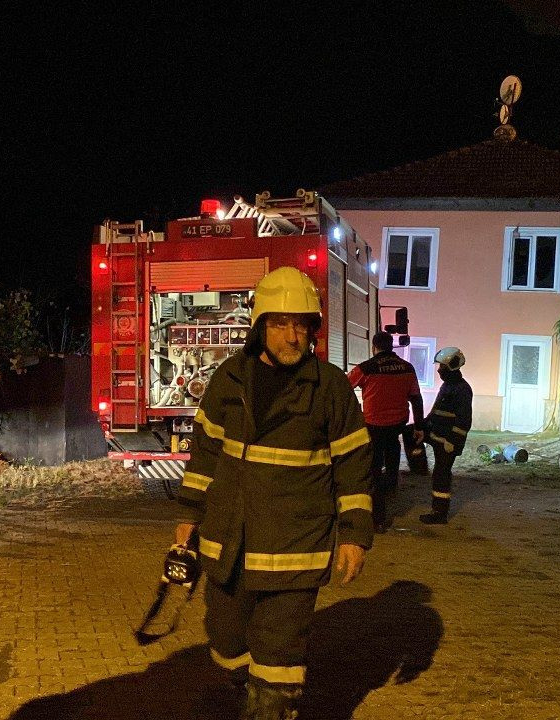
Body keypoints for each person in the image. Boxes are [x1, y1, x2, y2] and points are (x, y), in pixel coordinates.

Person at [173, 266, 372, 720]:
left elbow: (354, 467)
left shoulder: (330, 388)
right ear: (260, 326)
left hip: (294, 552)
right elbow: (204, 456)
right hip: (229, 547)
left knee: (278, 655)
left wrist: (355, 534)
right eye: (280, 324)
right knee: (226, 640)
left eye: (301, 324)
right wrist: (188, 514)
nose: (292, 336)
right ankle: (243, 692)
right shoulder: (229, 380)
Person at [346, 332, 423, 530]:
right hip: (396, 427)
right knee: (391, 466)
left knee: (373, 471)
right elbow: (416, 398)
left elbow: (343, 387)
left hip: (373, 427)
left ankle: (378, 518)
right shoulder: (407, 368)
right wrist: (419, 426)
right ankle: (390, 497)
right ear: (391, 346)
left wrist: (353, 413)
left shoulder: (366, 367)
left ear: (374, 347)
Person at [421, 347, 473, 525]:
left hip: (447, 440)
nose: (439, 370)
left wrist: (453, 441)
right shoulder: (448, 386)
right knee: (408, 432)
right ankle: (418, 467)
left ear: (451, 366)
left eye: (442, 367)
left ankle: (439, 513)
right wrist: (422, 425)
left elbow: (464, 420)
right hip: (438, 435)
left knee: (441, 474)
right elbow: (437, 410)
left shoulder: (462, 389)